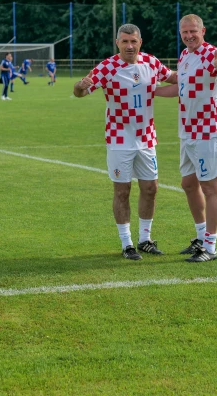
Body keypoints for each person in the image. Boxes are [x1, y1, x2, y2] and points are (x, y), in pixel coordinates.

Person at [73, 24, 176, 260]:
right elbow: (81, 91)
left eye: (134, 41)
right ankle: (127, 243)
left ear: (140, 42)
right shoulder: (107, 67)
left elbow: (173, 78)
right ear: (117, 42)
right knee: (122, 190)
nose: (130, 46)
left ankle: (145, 240)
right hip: (119, 138)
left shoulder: (151, 62)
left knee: (151, 189)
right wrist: (79, 87)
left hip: (147, 137)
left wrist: (201, 74)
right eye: (125, 41)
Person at [156, 14, 217, 262]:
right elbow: (180, 88)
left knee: (210, 187)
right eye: (184, 32)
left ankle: (211, 247)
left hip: (209, 130)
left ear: (202, 30)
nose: (188, 36)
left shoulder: (211, 54)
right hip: (188, 131)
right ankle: (201, 237)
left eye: (193, 31)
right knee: (188, 184)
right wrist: (150, 90)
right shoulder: (185, 56)